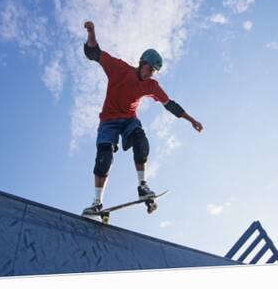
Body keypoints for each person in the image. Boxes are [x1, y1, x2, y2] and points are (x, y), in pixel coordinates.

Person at [82, 20, 203, 217]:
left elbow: (170, 105)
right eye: (149, 69)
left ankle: (143, 187)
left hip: (129, 119)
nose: (150, 74)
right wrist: (91, 31)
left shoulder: (151, 86)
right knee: (104, 158)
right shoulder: (119, 68)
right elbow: (93, 53)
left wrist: (192, 120)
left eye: (154, 71)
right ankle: (97, 203)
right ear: (141, 62)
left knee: (141, 142)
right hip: (108, 121)